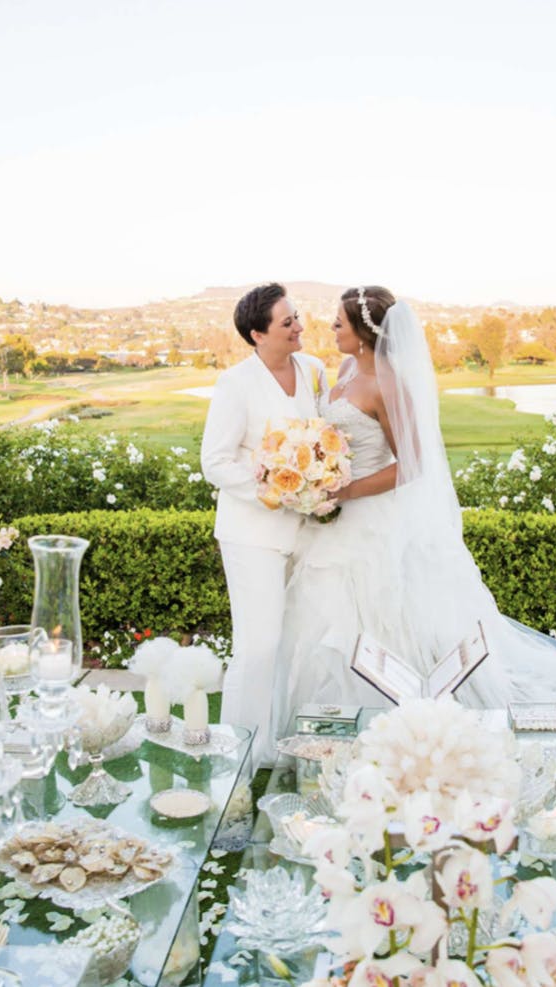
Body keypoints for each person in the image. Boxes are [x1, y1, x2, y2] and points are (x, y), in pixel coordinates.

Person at [272, 286, 556, 765]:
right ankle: (325, 732)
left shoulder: (388, 384)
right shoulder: (344, 368)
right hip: (334, 520)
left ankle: (397, 732)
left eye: (338, 322)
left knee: (379, 621)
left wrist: (347, 490)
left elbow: (414, 464)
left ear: (363, 332)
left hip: (371, 520)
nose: (331, 329)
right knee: (324, 619)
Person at [201, 283, 327, 768]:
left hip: (309, 531)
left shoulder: (314, 370)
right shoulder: (236, 383)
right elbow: (214, 461)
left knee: (291, 643)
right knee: (258, 645)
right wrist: (273, 489)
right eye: (287, 322)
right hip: (251, 533)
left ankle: (276, 746)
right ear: (258, 334)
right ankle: (238, 756)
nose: (299, 327)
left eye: (297, 318)